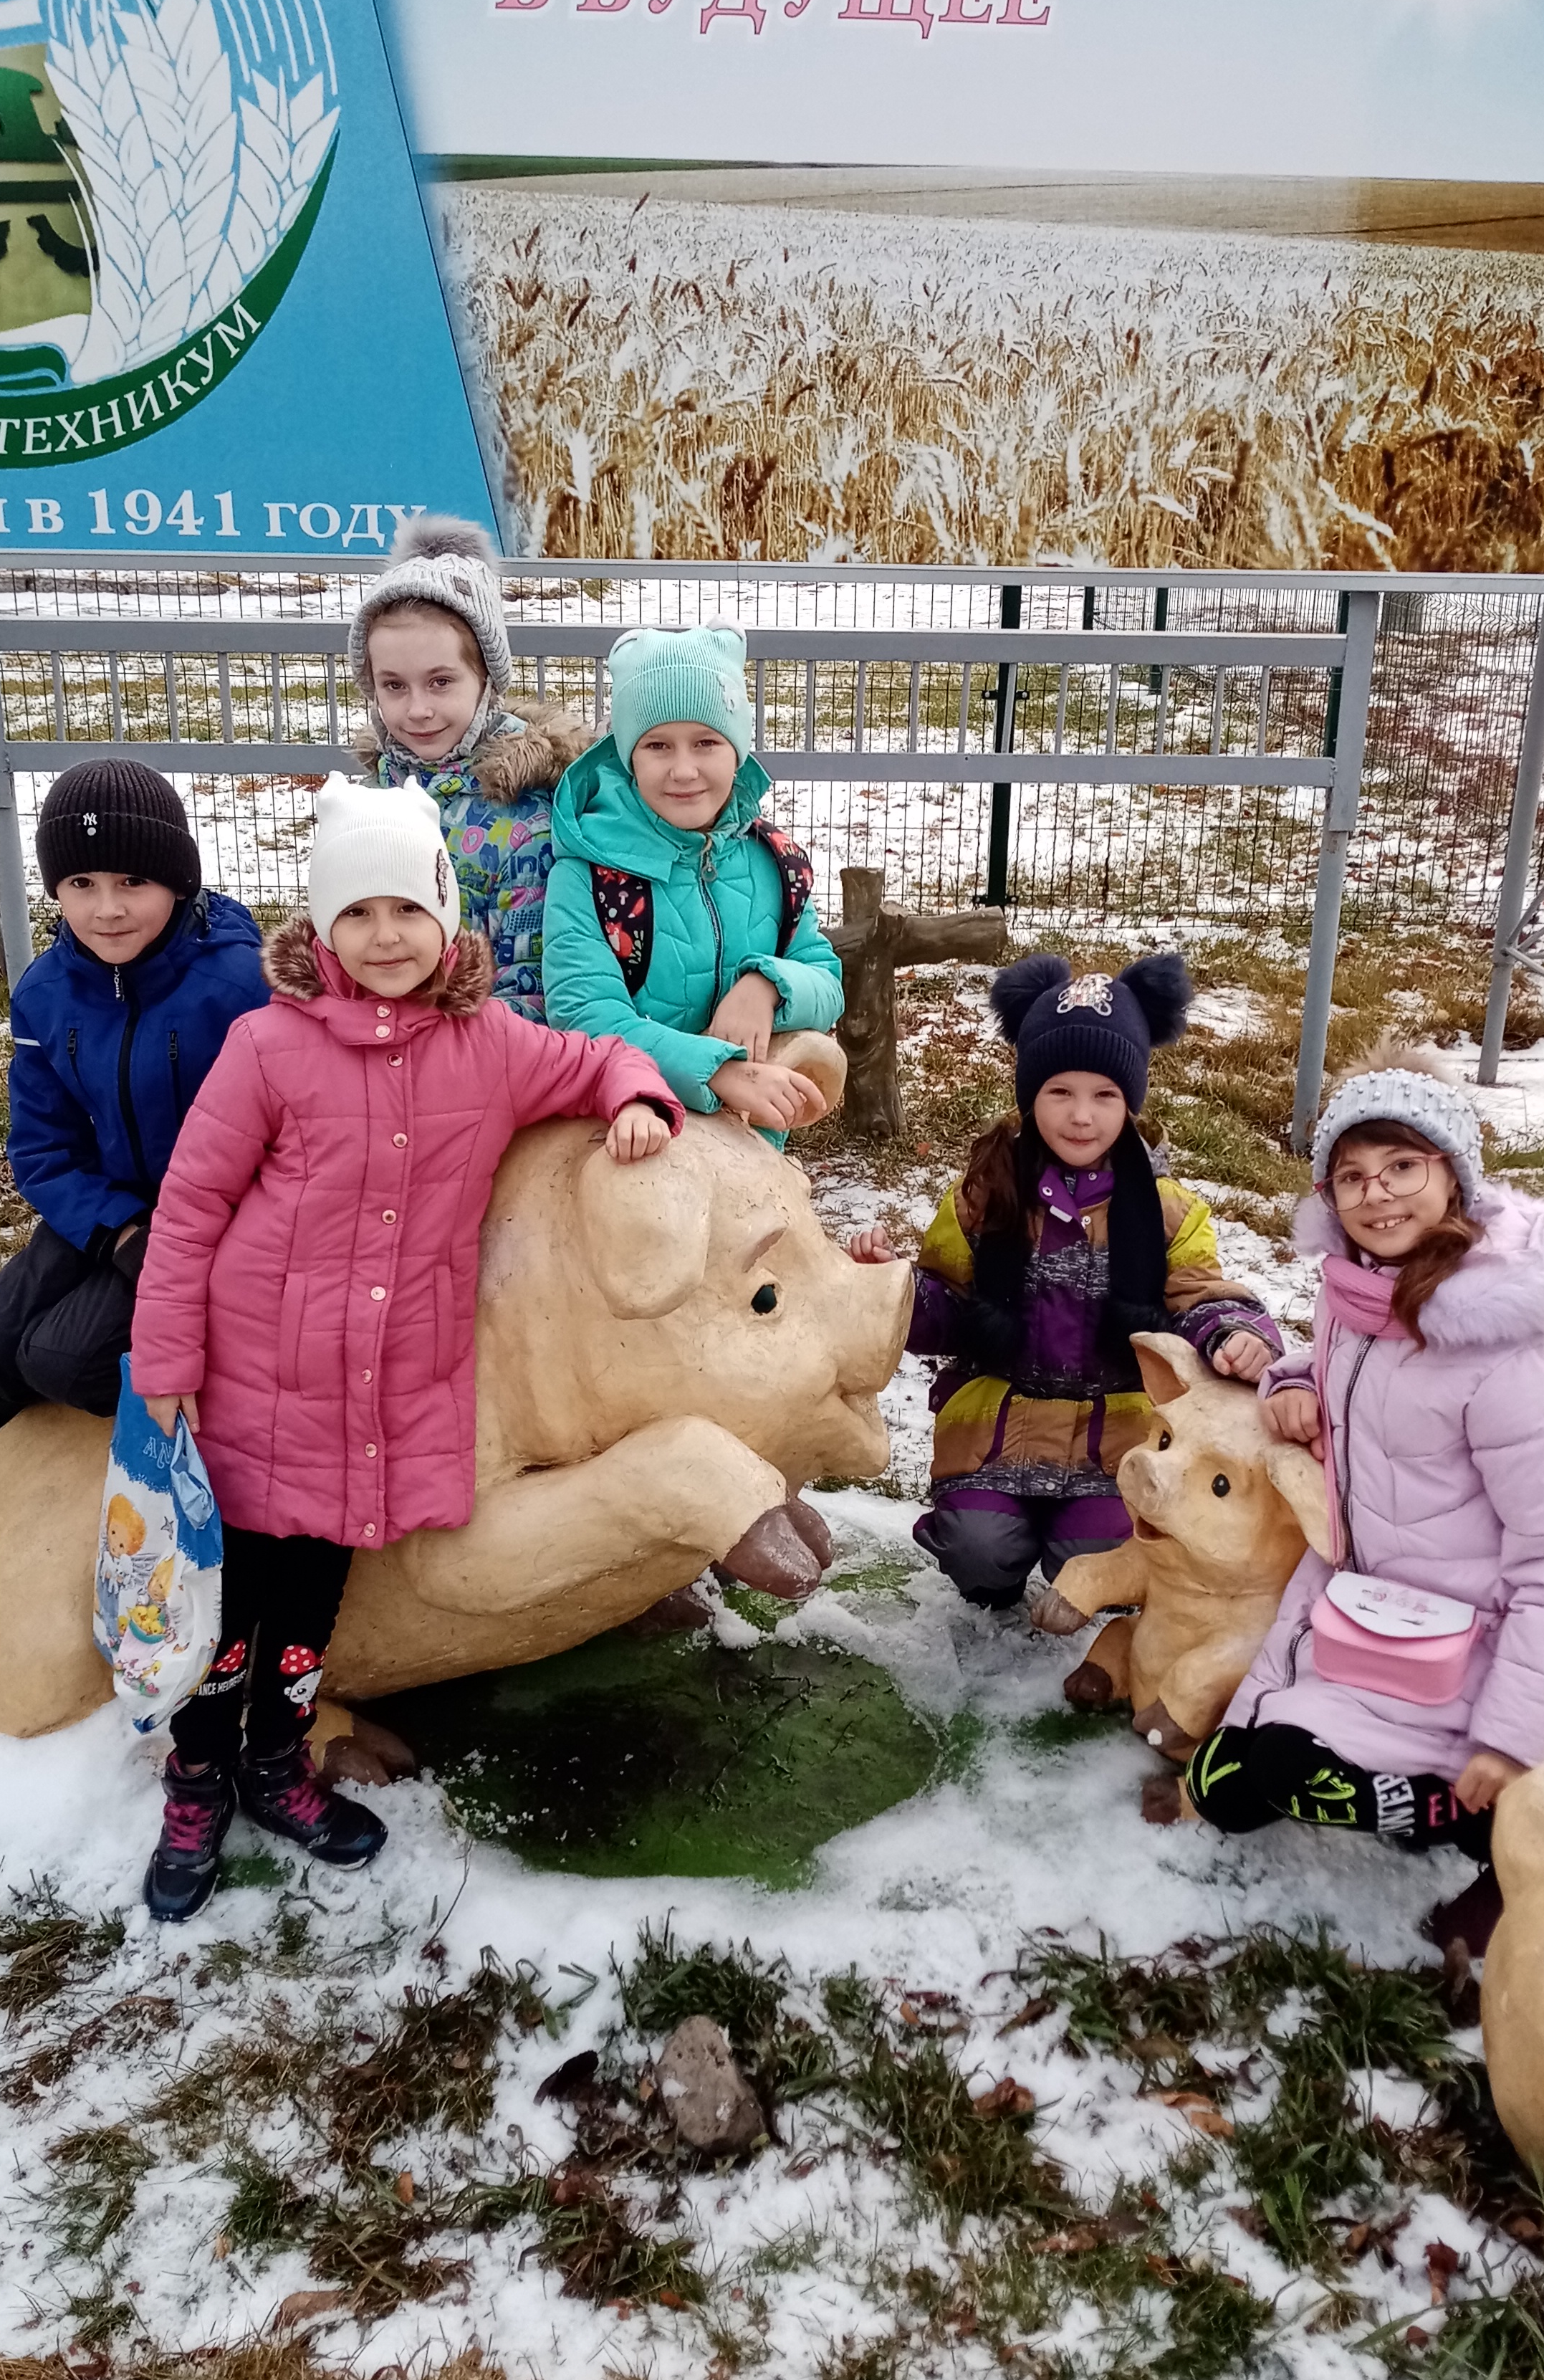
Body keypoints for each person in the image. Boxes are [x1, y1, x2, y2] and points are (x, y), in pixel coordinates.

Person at [127, 777, 680, 1922]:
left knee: (310, 1601)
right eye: (357, 915)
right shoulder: (268, 1048)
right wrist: (167, 1363)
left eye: (407, 912)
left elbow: (588, 1061)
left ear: (447, 917)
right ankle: (197, 1776)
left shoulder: (489, 1044)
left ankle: (278, 1764)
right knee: (228, 1604)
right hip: (253, 1375)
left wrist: (638, 1093)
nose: (385, 939)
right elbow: (188, 1209)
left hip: (373, 1395)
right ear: (322, 929)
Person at [1174, 1061, 1544, 1957]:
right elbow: (1351, 1374)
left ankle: (1524, 1819)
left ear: (1454, 1172)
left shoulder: (1507, 1357)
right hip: (1360, 1609)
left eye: (1402, 1166)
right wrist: (1301, 1378)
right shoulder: (1358, 1295)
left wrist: (1516, 1734)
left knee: (1273, 1769)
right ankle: (1422, 1780)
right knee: (1226, 1793)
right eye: (1351, 1175)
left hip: (1466, 1646)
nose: (1376, 1194)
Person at [851, 954, 1279, 1610]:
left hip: (1117, 1442)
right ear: (1031, 1096)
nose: (1082, 1116)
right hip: (997, 1429)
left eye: (1105, 1095)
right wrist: (890, 1290)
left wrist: (1233, 1334)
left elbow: (1200, 1297)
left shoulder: (1169, 1213)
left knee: (1101, 1563)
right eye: (1060, 1093)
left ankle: (1086, 1571)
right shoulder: (984, 1198)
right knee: (979, 1549)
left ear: (1130, 1102)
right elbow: (943, 1305)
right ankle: (993, 1575)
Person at [0, 757, 269, 1469]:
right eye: (82, 884)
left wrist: (185, 1235)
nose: (108, 907)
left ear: (178, 879)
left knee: (64, 1359)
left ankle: (210, 1386)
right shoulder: (48, 993)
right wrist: (115, 1231)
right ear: (57, 890)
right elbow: (43, 1148)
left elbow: (283, 1133)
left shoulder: (239, 986)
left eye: (133, 881)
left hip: (208, 1223)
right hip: (102, 1213)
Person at [542, 623, 845, 1135]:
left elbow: (825, 977)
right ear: (628, 756)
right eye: (658, 746)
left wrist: (765, 985)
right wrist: (717, 1069)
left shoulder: (774, 863)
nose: (683, 771)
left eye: (706, 742)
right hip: (633, 1126)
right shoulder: (589, 877)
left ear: (739, 751)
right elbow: (586, 1018)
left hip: (750, 1140)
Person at [347, 515, 585, 1022]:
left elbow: (529, 990)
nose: (417, 710)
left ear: (486, 681)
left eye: (440, 683)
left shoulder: (523, 827)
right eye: (394, 685)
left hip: (474, 1067)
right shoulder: (364, 803)